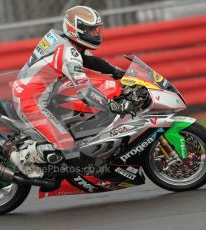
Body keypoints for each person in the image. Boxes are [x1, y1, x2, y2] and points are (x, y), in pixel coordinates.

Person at [11, 6, 133, 178]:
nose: (96, 35)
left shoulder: (61, 38)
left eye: (97, 30)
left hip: (40, 92)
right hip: (31, 103)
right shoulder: (68, 52)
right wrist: (111, 104)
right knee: (65, 143)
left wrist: (117, 72)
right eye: (91, 31)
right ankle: (23, 157)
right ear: (75, 30)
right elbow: (85, 91)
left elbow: (89, 60)